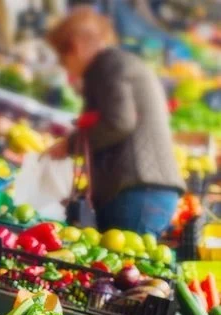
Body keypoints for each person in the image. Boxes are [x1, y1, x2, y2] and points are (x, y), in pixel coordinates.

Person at [45, 7, 185, 236]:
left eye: (63, 58)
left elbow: (118, 122)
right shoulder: (120, 63)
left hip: (136, 192)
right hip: (150, 191)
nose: (65, 66)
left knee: (120, 259)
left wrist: (69, 145)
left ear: (75, 47)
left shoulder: (106, 66)